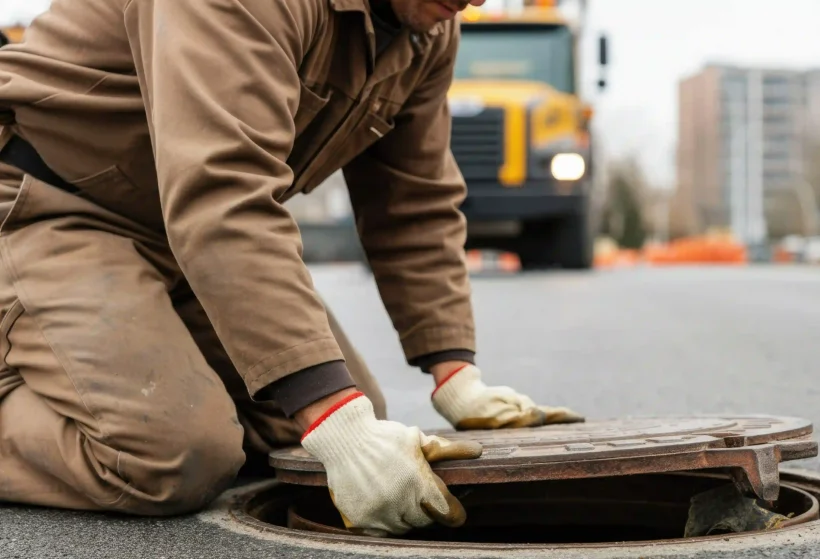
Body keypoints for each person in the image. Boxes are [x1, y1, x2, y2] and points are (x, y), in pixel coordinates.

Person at [0, 0, 584, 538]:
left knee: (322, 433)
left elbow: (414, 203)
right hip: (47, 206)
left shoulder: (426, 27)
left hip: (178, 234)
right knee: (171, 456)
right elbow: (223, 191)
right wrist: (331, 413)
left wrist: (455, 372)